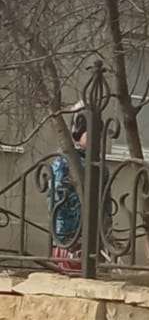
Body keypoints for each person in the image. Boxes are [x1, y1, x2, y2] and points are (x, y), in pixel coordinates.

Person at [48, 110, 87, 272]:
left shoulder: (97, 163)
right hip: (68, 232)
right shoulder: (64, 162)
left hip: (90, 233)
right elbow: (55, 197)